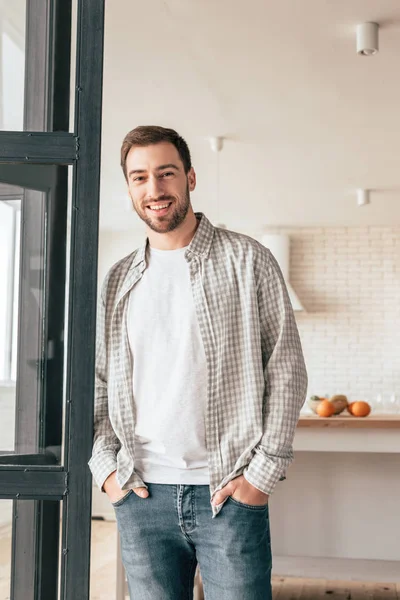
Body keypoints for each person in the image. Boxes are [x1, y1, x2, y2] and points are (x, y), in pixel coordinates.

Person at [89, 125, 308, 600]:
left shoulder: (249, 260)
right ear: (129, 188)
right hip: (140, 494)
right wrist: (108, 471)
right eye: (139, 177)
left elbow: (287, 372)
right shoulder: (117, 280)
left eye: (166, 173)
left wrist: (260, 478)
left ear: (190, 177)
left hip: (229, 495)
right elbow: (99, 383)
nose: (154, 189)